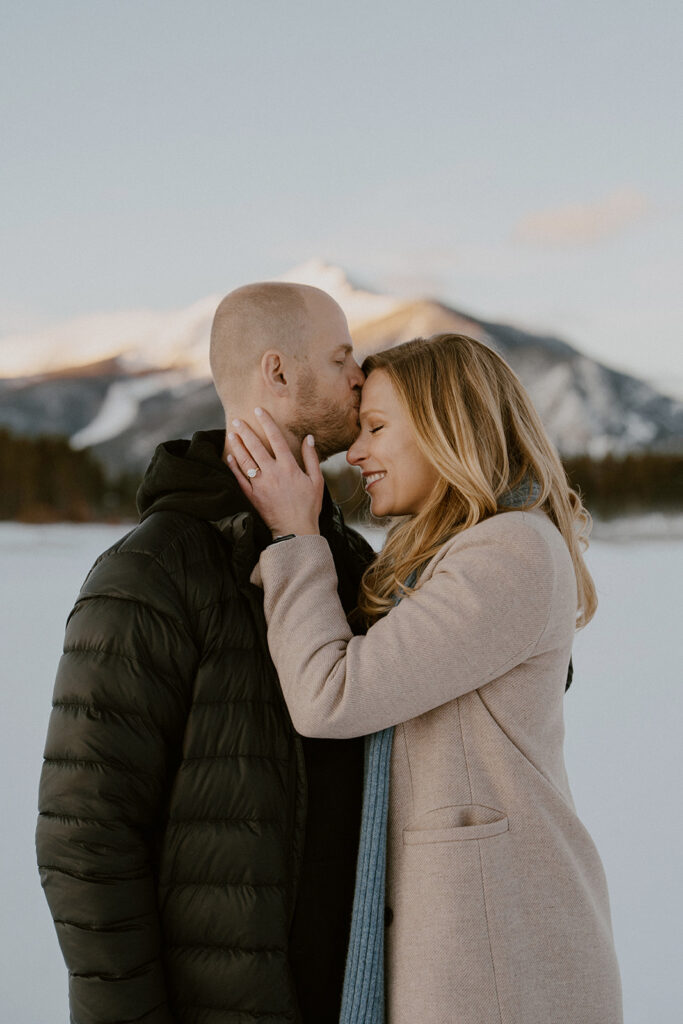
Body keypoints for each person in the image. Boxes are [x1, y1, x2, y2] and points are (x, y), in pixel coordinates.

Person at [227, 332, 624, 1024]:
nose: (356, 454)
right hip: (478, 938)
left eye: (377, 429)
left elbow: (332, 695)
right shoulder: (448, 560)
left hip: (501, 954)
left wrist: (295, 538)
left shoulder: (508, 553)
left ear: (449, 430)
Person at [36, 282, 375, 1024]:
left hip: (360, 995)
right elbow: (85, 835)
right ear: (278, 373)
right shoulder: (153, 570)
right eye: (344, 357)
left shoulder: (346, 558)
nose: (362, 374)